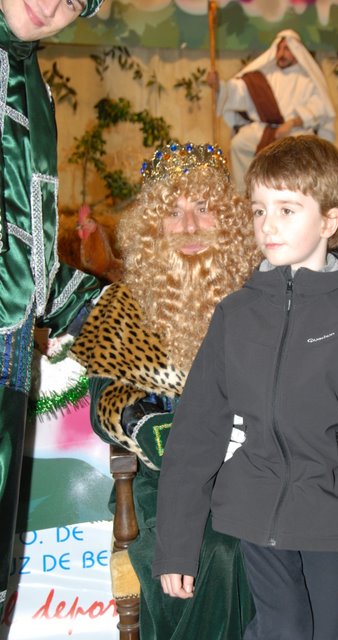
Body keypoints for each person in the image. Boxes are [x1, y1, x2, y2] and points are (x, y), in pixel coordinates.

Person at [153, 135, 338, 640]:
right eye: (259, 210)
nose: (267, 225)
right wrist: (176, 547)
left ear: (330, 221)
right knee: (285, 629)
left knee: (337, 633)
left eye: (287, 210)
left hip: (336, 519)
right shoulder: (235, 315)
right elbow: (196, 433)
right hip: (254, 511)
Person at [70, 142, 258, 639]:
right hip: (162, 484)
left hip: (259, 475)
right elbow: (107, 403)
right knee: (221, 550)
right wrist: (167, 435)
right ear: (152, 226)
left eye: (203, 207)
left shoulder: (260, 293)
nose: (190, 226)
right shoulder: (123, 303)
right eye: (173, 212)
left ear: (228, 218)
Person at [0, 0, 104, 614]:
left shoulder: (34, 87)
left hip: (10, 359)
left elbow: (30, 265)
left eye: (75, 0)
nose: (53, 3)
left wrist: (115, 311)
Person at [207, 30, 336, 192]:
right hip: (264, 128)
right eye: (279, 48)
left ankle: (292, 194)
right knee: (239, 143)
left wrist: (292, 123)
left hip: (295, 131)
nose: (281, 53)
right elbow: (240, 91)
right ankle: (245, 193)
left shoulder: (308, 79)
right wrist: (219, 85)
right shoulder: (265, 75)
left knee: (299, 151)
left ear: (297, 52)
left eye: (286, 49)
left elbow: (319, 106)